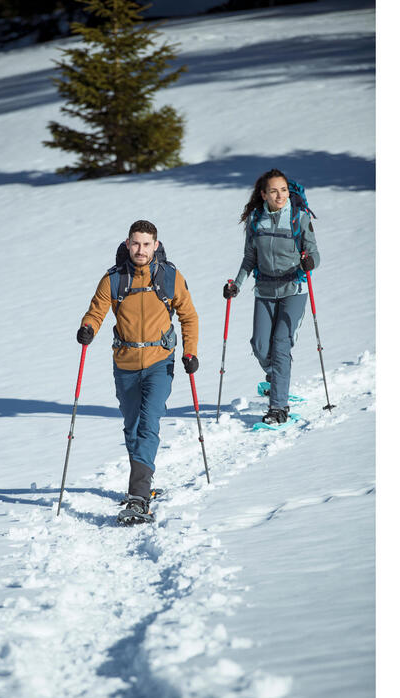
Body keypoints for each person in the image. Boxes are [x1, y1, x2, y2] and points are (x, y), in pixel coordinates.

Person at [77, 220, 199, 524]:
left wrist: (190, 351)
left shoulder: (170, 276)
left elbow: (189, 316)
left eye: (146, 244)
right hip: (126, 362)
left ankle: (139, 496)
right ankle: (142, 481)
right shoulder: (114, 279)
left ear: (155, 246)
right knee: (132, 427)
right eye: (135, 243)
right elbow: (97, 309)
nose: (140, 250)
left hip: (160, 360)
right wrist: (88, 328)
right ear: (128, 243)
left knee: (149, 423)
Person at [222, 169, 320, 425]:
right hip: (265, 290)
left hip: (294, 289)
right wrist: (237, 285)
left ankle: (278, 407)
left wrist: (309, 262)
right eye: (274, 191)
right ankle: (276, 378)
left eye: (284, 190)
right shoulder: (256, 220)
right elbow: (249, 259)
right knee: (260, 345)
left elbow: (314, 253)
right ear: (263, 194)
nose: (280, 195)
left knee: (280, 344)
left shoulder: (299, 217)